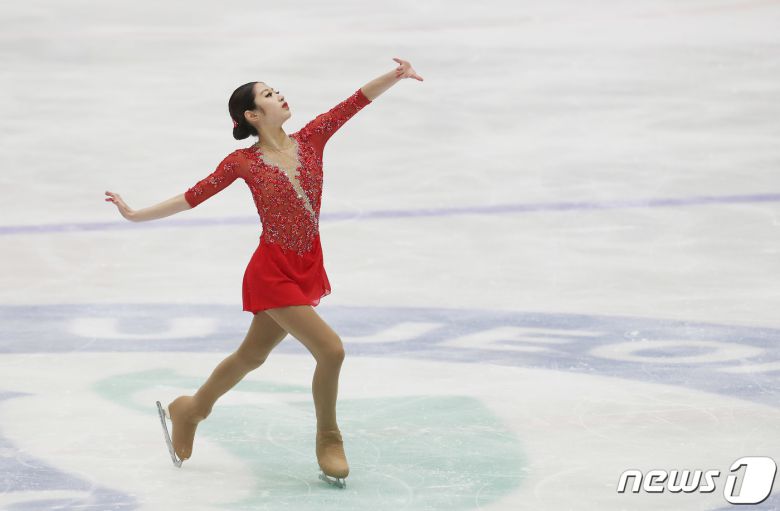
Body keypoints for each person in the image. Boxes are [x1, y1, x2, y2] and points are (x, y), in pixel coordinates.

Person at [104, 57, 424, 488]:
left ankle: (191, 409)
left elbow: (353, 103)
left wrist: (395, 75)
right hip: (271, 271)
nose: (280, 95)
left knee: (251, 356)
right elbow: (193, 196)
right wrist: (136, 213)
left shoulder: (312, 139)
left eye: (277, 90)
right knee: (331, 350)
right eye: (269, 95)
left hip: (305, 263)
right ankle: (329, 437)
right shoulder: (242, 163)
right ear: (252, 116)